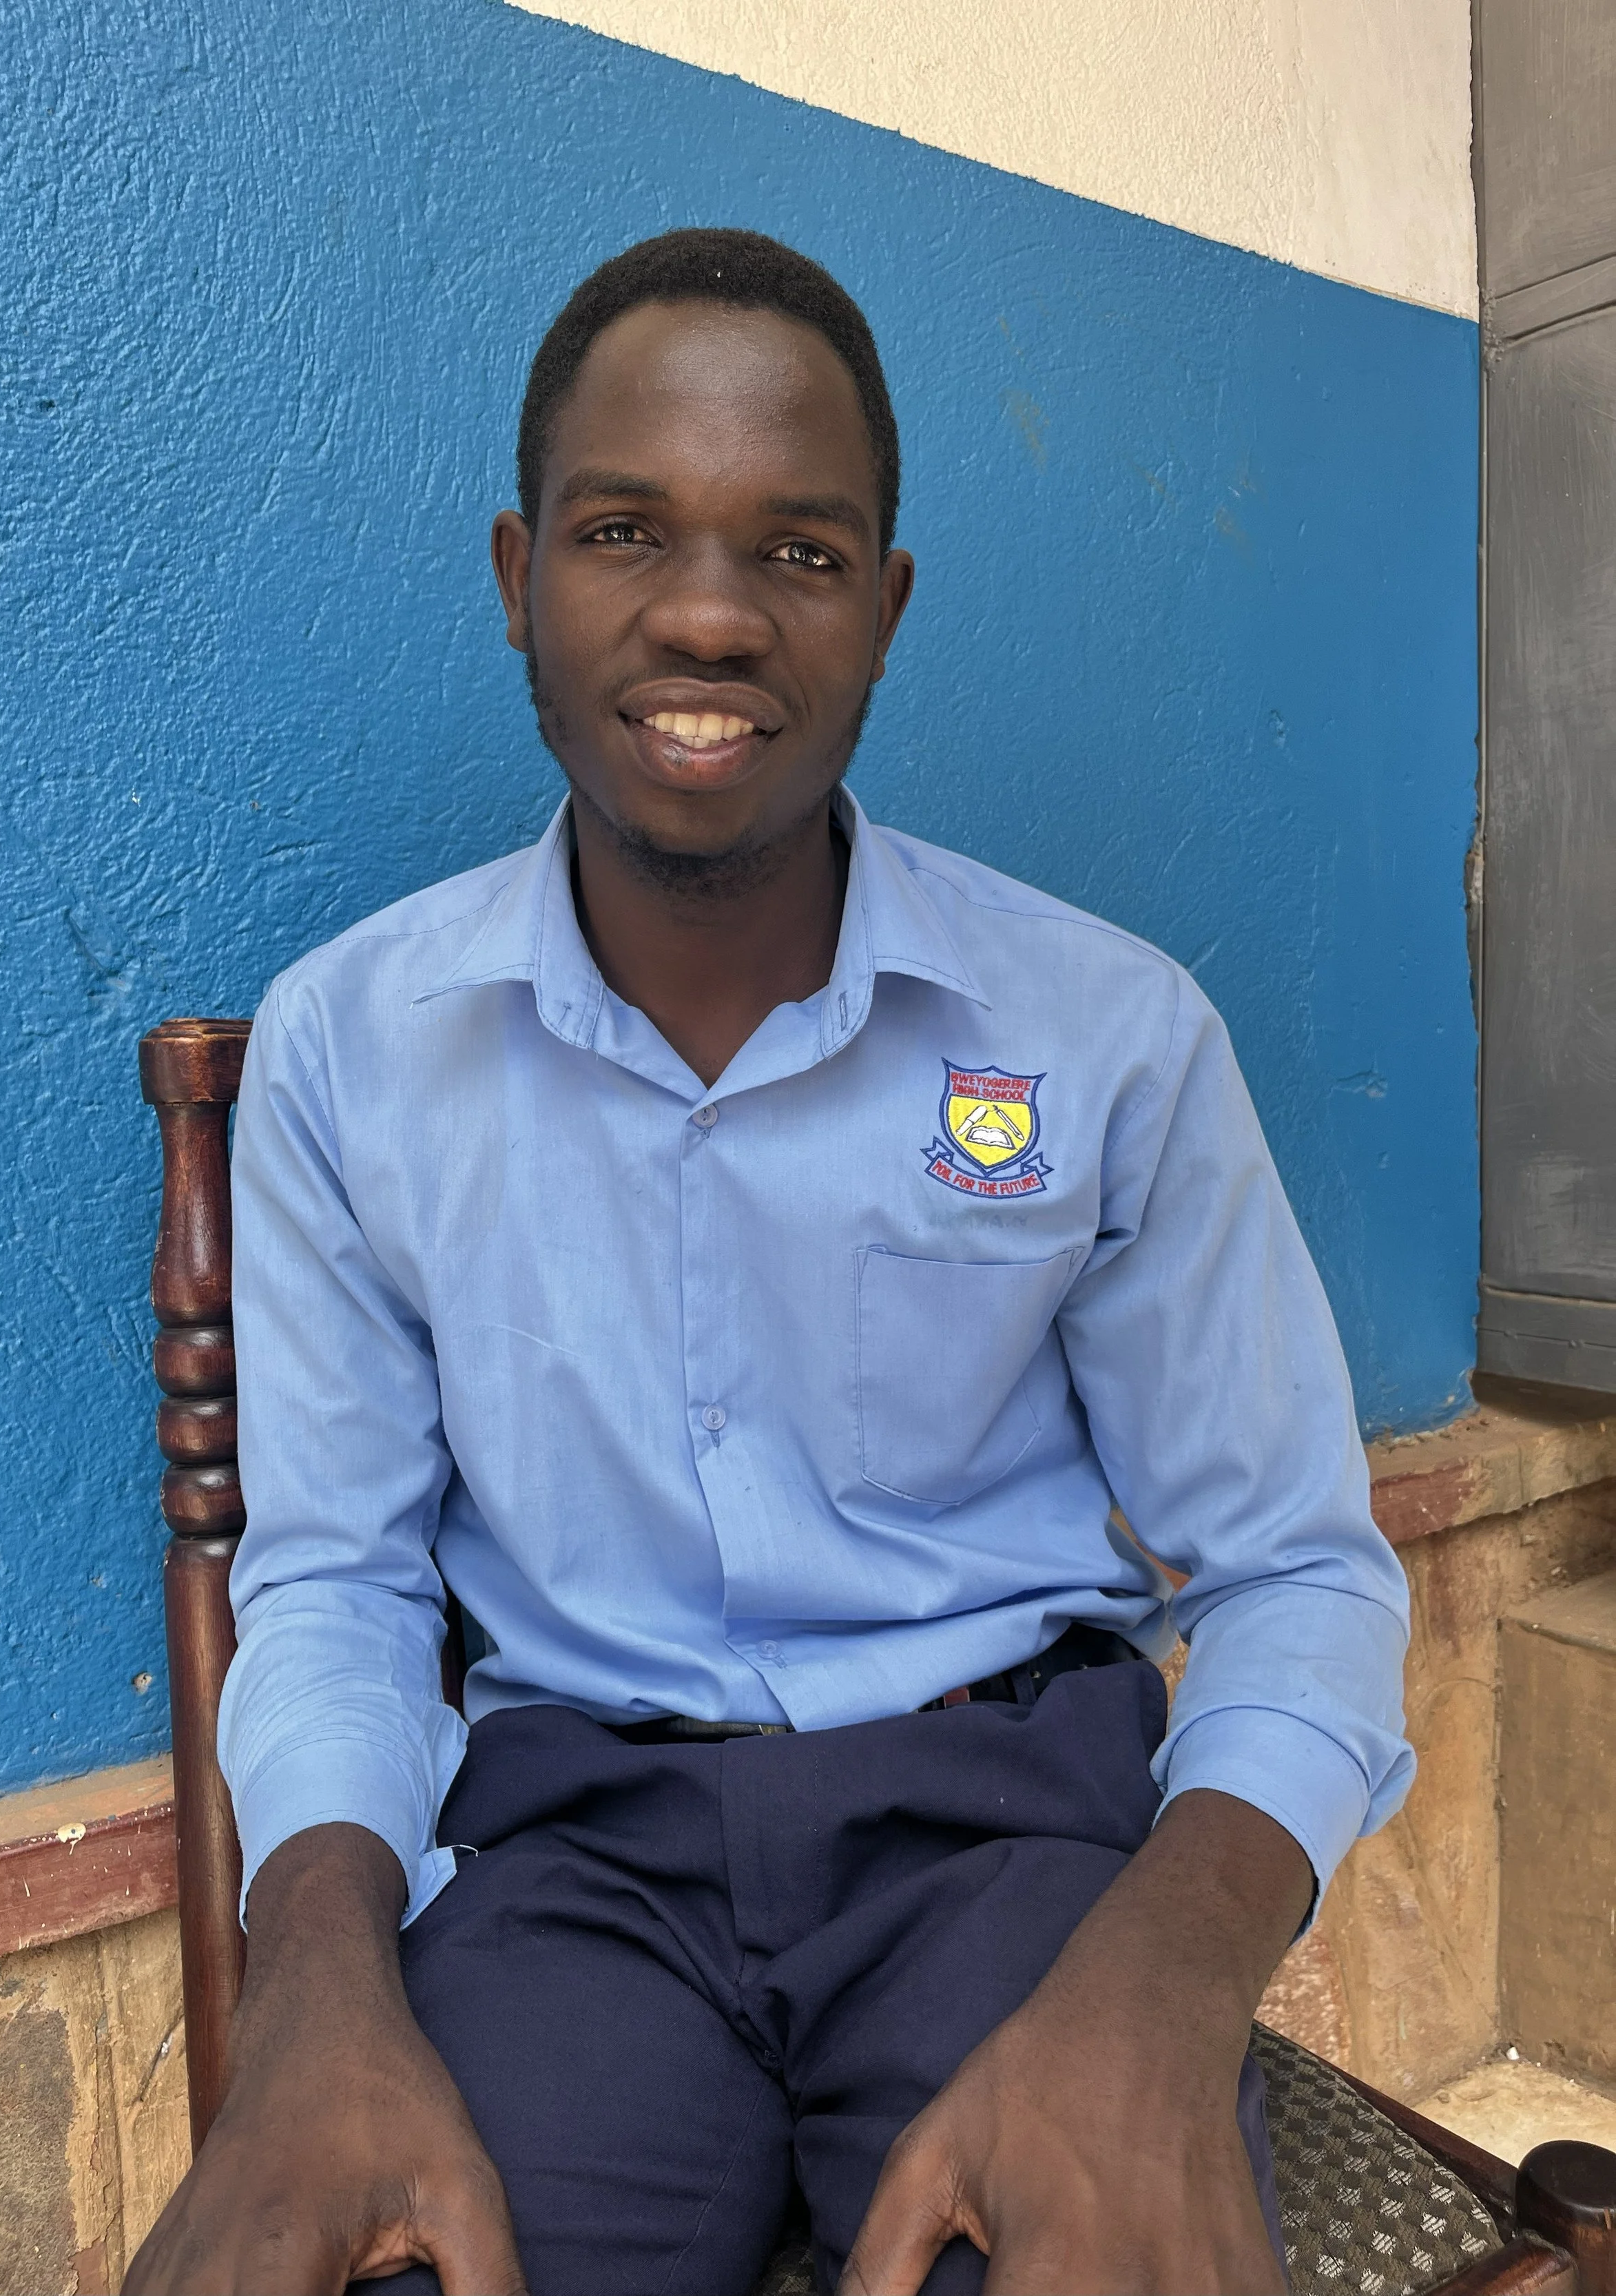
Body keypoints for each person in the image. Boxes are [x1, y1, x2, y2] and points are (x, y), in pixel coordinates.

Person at [126, 228, 1413, 2296]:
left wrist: (1161, 2002)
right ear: (516, 577)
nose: (709, 612)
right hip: (574, 1866)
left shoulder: (1099, 1036)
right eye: (625, 529)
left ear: (885, 609)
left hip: (1007, 1837)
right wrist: (317, 2005)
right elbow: (342, 1584)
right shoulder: (359, 1050)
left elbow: (1294, 1574)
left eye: (799, 553)